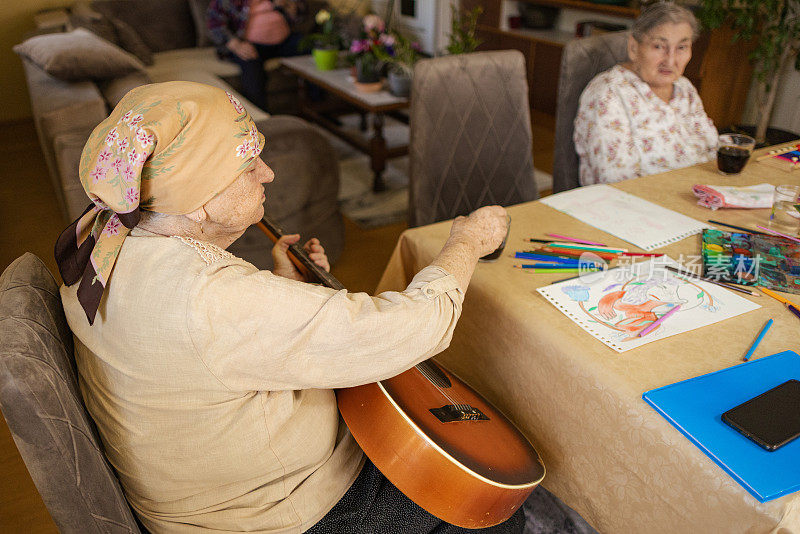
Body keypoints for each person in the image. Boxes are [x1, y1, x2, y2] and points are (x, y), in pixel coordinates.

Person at [54, 81, 521, 533]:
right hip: (279, 514)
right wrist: (466, 242)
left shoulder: (111, 240)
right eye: (248, 163)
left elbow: (203, 350)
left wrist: (281, 289)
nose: (268, 173)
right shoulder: (212, 300)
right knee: (493, 512)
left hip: (212, 491)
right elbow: (416, 327)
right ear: (198, 200)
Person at [573, 3, 718, 186]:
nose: (671, 60)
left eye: (681, 47)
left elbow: (713, 150)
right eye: (659, 46)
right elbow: (615, 181)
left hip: (699, 197)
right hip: (636, 206)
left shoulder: (684, 89)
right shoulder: (608, 94)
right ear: (634, 47)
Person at [207, 0, 307, 111]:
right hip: (248, 44)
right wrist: (236, 45)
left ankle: (318, 104)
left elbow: (298, 18)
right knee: (252, 70)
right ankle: (258, 117)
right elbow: (214, 24)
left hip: (283, 41)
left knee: (311, 46)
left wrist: (291, 7)